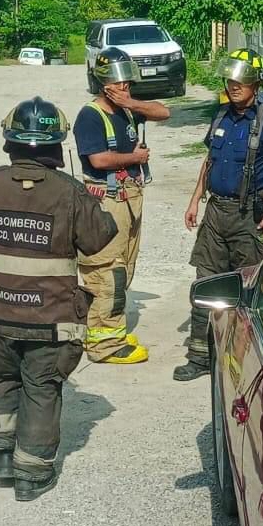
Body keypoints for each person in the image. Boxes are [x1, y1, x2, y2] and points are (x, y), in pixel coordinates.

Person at [0, 96, 118, 502]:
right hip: (50, 319)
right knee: (41, 386)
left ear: (9, 142)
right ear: (56, 145)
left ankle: (2, 456)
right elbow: (100, 237)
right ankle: (31, 474)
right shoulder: (71, 193)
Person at [173, 50, 263, 382]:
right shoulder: (220, 116)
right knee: (205, 284)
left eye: (240, 81)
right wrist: (195, 200)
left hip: (250, 217)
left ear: (255, 83)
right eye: (230, 80)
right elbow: (209, 161)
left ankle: (245, 361)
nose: (233, 86)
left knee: (247, 290)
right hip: (216, 214)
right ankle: (200, 357)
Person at [73, 46, 170, 366]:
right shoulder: (91, 115)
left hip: (129, 198)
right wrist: (135, 158)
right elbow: (98, 159)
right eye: (120, 84)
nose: (125, 88)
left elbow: (163, 112)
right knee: (106, 269)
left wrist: (131, 103)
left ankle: (110, 328)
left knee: (124, 267)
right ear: (104, 84)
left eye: (128, 83)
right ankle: (104, 344)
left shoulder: (126, 109)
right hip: (107, 200)